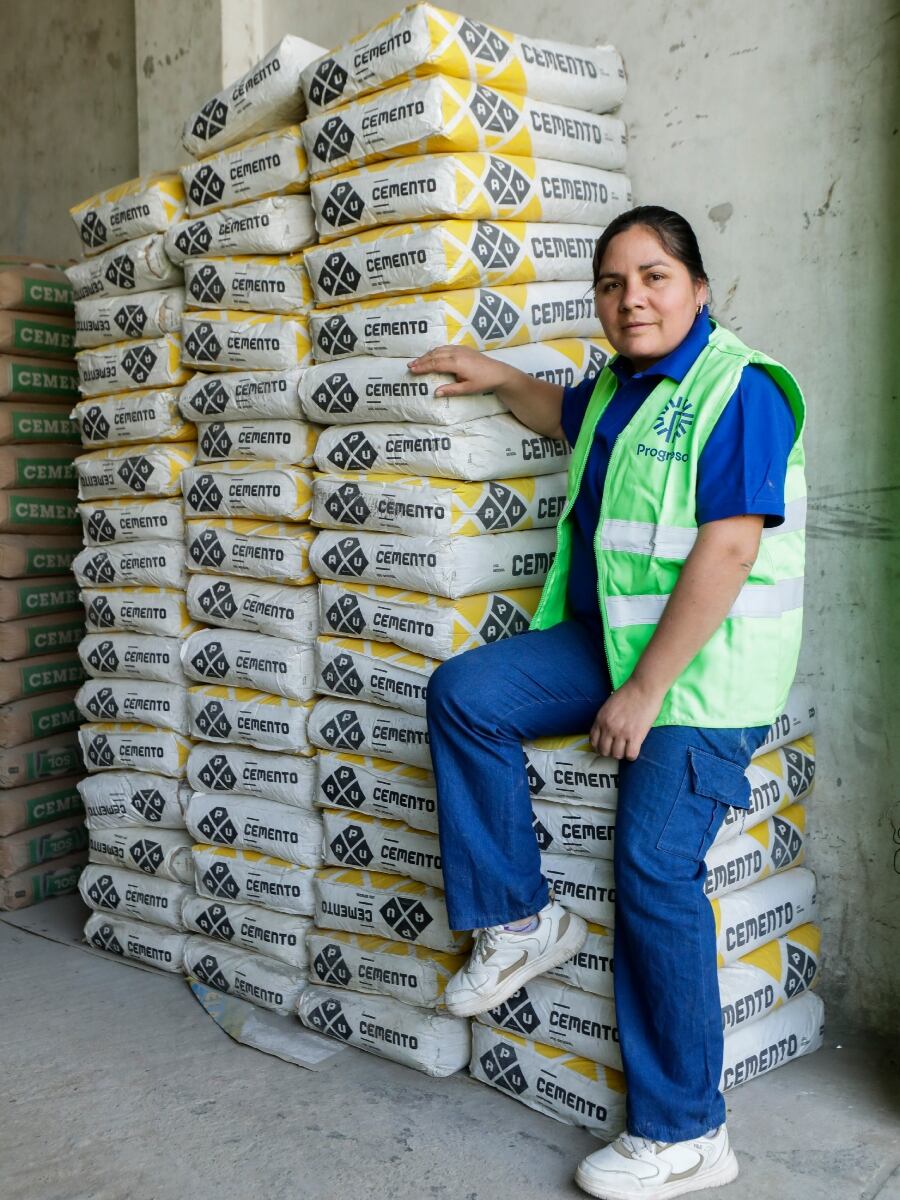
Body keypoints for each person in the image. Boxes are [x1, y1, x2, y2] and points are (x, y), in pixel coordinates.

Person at [408, 205, 806, 1200]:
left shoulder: (741, 390)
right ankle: (519, 919)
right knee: (465, 694)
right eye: (613, 283)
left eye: (655, 276)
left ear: (699, 289)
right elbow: (565, 415)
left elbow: (731, 548)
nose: (633, 299)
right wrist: (499, 376)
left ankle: (688, 1132)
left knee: (654, 869)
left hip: (702, 674)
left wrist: (643, 690)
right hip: (612, 643)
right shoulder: (622, 390)